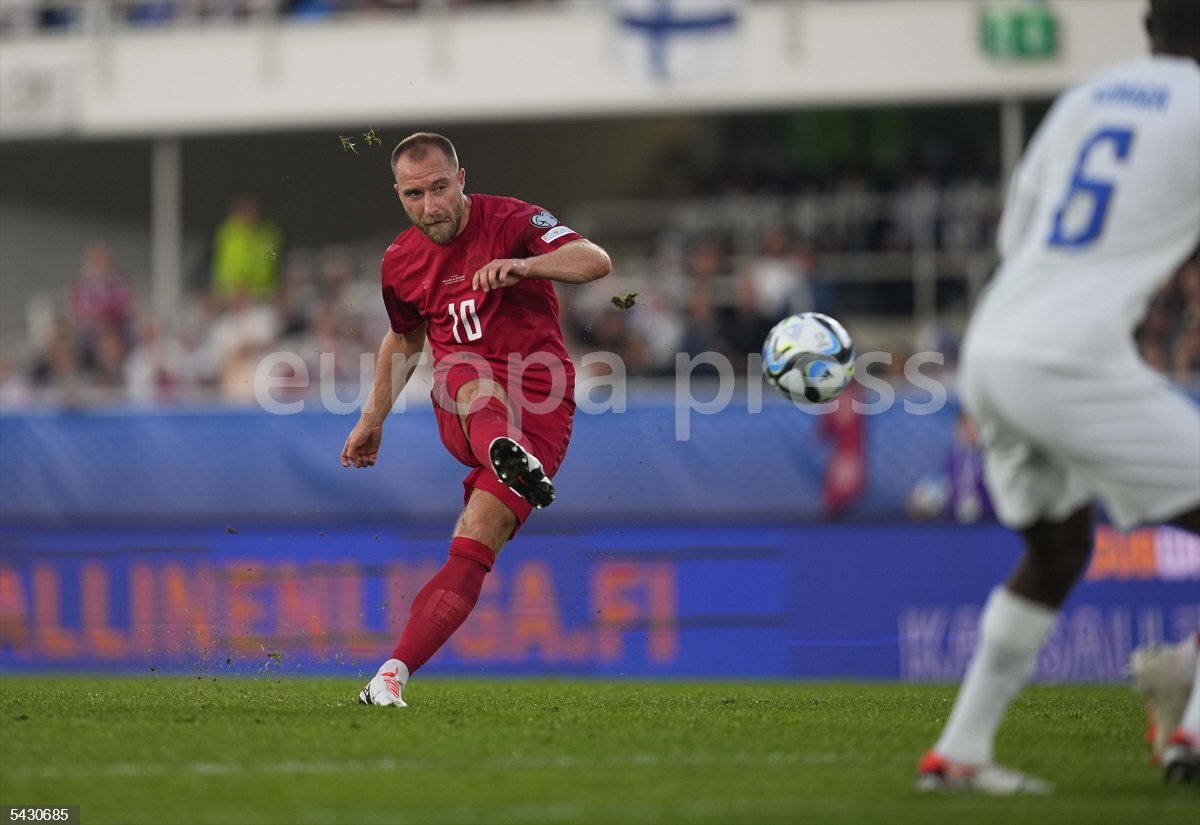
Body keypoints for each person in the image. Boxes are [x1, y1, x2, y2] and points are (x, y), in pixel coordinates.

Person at [916, 0, 1200, 793]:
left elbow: (1018, 237)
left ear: (1149, 28)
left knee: (1059, 547)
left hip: (995, 342)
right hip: (1071, 355)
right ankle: (1187, 707)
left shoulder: (1086, 96)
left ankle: (959, 755)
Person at [341, 132, 611, 707]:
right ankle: (503, 454)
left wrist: (525, 265)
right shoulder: (399, 262)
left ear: (462, 179)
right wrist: (373, 417)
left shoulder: (515, 221)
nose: (430, 206)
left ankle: (390, 676)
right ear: (399, 194)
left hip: (541, 407)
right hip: (466, 403)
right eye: (414, 195)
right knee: (465, 366)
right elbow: (408, 336)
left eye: (440, 188)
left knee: (474, 541)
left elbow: (595, 261)